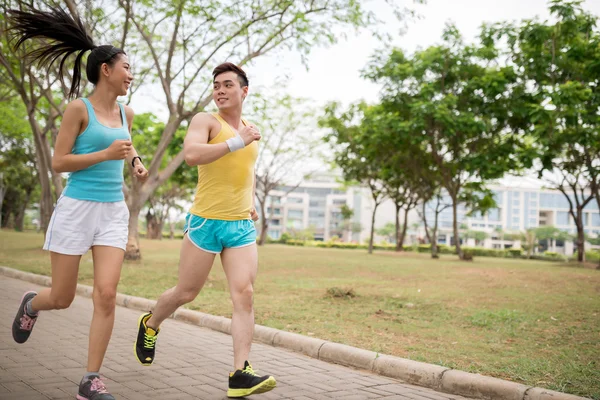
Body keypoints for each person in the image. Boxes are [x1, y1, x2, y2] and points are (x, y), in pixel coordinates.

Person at [9, 5, 148, 400]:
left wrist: (134, 160)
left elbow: (125, 140)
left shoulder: (127, 111)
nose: (131, 75)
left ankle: (91, 379)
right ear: (106, 69)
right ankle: (33, 304)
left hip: (112, 212)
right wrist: (105, 156)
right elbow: (58, 163)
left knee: (106, 293)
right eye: (127, 67)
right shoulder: (77, 109)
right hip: (77, 208)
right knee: (63, 297)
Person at [133, 62, 276, 397]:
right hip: (206, 223)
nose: (220, 90)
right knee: (186, 292)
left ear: (244, 91)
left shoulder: (249, 130)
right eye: (216, 86)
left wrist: (250, 200)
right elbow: (192, 155)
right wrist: (236, 142)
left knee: (245, 294)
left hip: (240, 225)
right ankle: (151, 322)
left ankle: (240, 373)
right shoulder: (205, 121)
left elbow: (245, 172)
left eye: (227, 85)